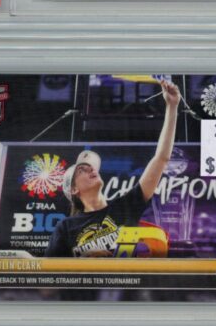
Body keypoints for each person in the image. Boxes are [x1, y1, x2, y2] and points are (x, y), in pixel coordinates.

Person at [45, 80, 181, 257]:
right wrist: (83, 260)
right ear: (74, 189)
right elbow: (50, 272)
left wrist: (172, 106)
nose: (91, 170)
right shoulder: (66, 227)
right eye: (82, 170)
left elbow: (161, 158)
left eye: (91, 167)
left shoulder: (125, 206)